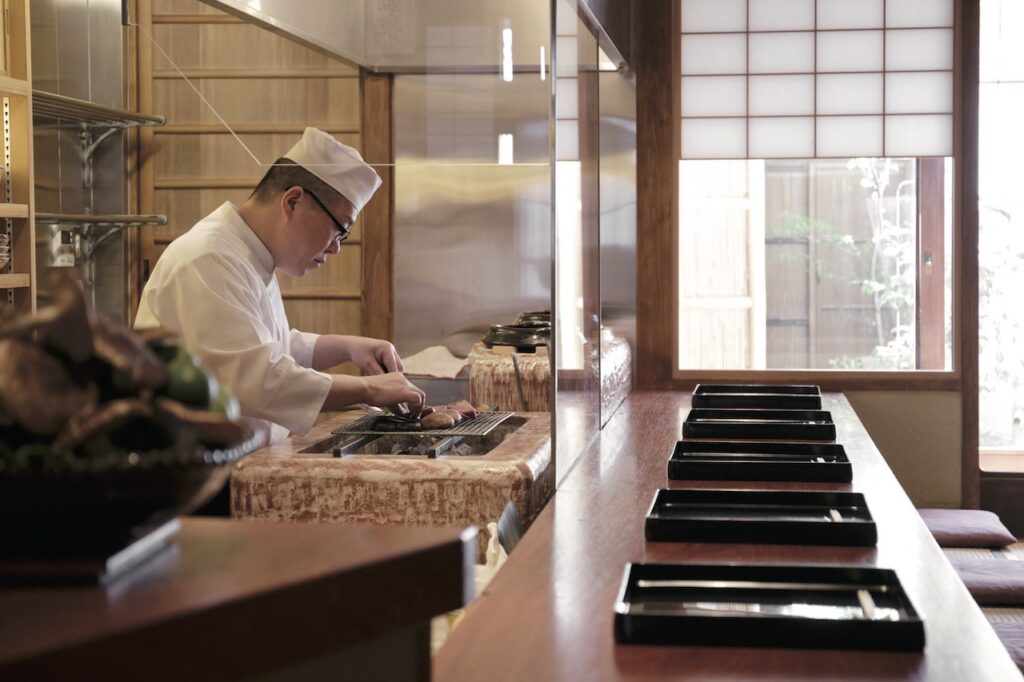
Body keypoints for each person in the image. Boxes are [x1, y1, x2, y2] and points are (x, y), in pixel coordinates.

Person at [135, 127, 425, 446]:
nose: (336, 248)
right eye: (339, 229)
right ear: (293, 201)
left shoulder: (246, 253)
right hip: (200, 477)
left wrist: (347, 347)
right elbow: (256, 378)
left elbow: (266, 346)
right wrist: (371, 389)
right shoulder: (208, 257)